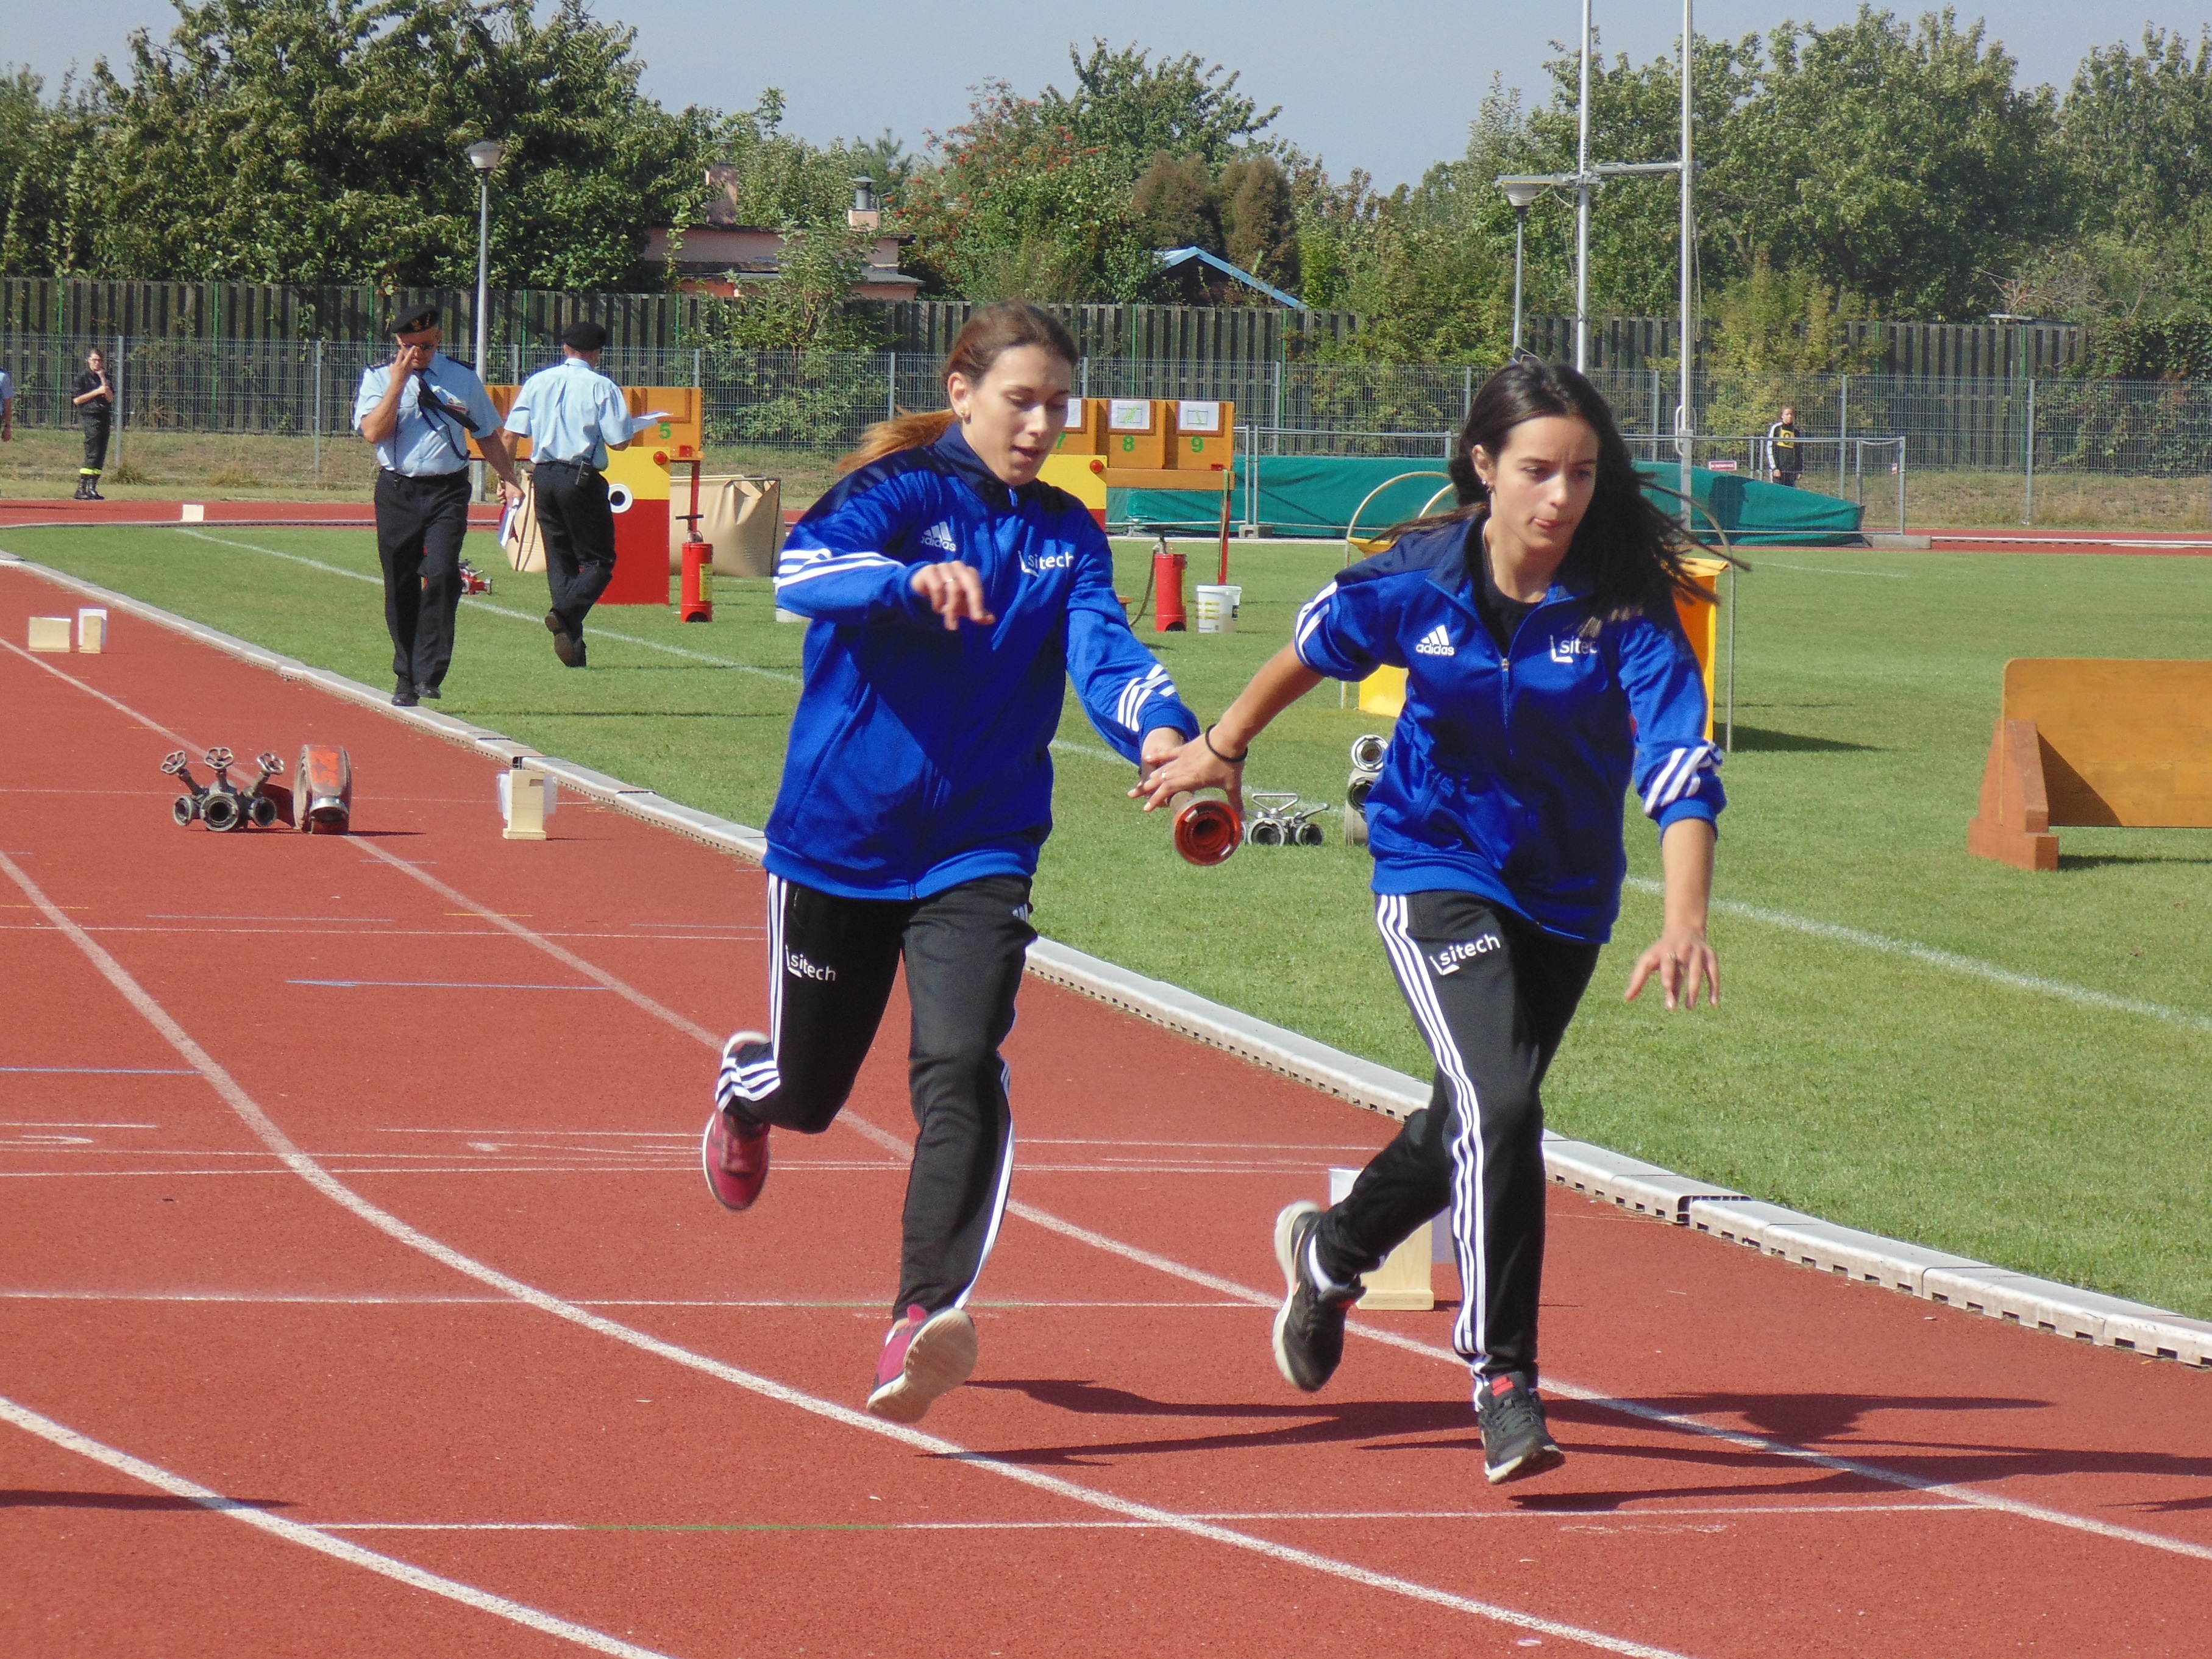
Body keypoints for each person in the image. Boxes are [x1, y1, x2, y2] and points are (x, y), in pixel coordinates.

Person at [1139, 358, 1724, 1485]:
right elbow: (1306, 651)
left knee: (1473, 1107)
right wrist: (1221, 744)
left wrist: (1683, 914)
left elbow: (1679, 760)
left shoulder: (1622, 606)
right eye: (1537, 472)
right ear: (1482, 468)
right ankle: (1503, 1380)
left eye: (1583, 474)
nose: (1559, 498)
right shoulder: (1413, 581)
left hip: (1564, 889)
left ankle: (1334, 1248)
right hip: (1430, 861)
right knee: (1503, 1105)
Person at [703, 302, 1200, 1424]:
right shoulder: (897, 496)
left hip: (979, 842)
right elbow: (797, 574)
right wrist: (904, 584)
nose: (1037, 426)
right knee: (808, 1095)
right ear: (962, 388)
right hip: (837, 837)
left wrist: (1161, 730)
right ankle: (744, 1090)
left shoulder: (1068, 531)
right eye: (1019, 400)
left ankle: (916, 1319)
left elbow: (1103, 648)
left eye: (1055, 408)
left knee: (961, 1059)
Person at [354, 304, 522, 707]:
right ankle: (405, 674)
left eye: (426, 347)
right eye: (410, 347)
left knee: (444, 573)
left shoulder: (460, 378)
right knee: (400, 582)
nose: (419, 355)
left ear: (439, 338)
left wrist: (510, 478)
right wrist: (398, 382)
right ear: (398, 344)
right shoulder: (379, 379)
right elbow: (374, 432)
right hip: (398, 489)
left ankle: (430, 671)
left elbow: (485, 433)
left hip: (447, 488)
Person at [501, 319, 635, 668]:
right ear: (597, 354)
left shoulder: (537, 382)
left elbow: (511, 433)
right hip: (581, 477)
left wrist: (506, 480)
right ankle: (564, 614)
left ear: (565, 349)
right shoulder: (602, 387)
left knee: (560, 559)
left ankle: (573, 647)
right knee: (599, 561)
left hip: (542, 475)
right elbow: (620, 442)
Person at [70, 349, 115, 501]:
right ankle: (81, 488)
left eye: (100, 361)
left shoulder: (106, 377)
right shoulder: (82, 378)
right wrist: (96, 392)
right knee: (93, 450)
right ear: (88, 360)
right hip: (91, 417)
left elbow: (110, 398)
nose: (97, 363)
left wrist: (103, 380)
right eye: (94, 360)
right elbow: (77, 400)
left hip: (104, 416)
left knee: (101, 452)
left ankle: (92, 488)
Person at [1766, 405, 1801, 487]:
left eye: (1792, 414)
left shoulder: (1796, 431)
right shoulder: (1777, 428)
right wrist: (1774, 468)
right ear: (1782, 416)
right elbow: (1770, 448)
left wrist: (1799, 470)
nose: (1790, 416)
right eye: (1787, 414)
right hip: (1779, 469)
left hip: (1791, 470)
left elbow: (1799, 452)